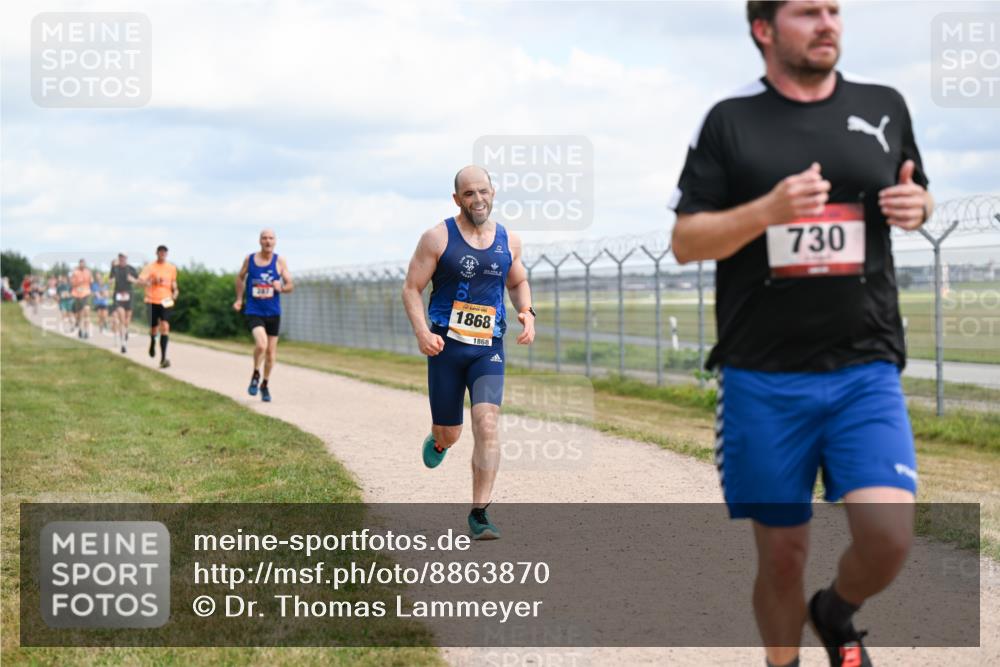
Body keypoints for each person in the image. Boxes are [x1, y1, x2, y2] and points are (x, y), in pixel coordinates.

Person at [669, 2, 933, 666]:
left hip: (864, 366)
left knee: (889, 534)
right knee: (782, 555)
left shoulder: (885, 104)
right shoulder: (731, 123)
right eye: (808, 11)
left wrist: (919, 205)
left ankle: (835, 610)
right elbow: (685, 240)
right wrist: (768, 210)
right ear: (764, 29)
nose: (828, 23)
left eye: (835, 10)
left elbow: (915, 190)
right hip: (763, 376)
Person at [402, 165, 535, 540]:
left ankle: (480, 512)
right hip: (445, 345)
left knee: (487, 424)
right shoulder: (436, 237)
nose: (478, 199)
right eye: (469, 194)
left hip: (487, 349)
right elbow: (411, 288)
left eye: (484, 191)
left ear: (494, 192)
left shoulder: (509, 241)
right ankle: (440, 439)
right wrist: (422, 332)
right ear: (457, 198)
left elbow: (518, 280)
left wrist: (527, 311)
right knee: (453, 431)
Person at [233, 229, 294, 402]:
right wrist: (239, 299)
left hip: (273, 312)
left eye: (271, 238)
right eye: (264, 238)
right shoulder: (250, 259)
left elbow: (290, 285)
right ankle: (255, 374)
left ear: (275, 241)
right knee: (261, 344)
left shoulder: (279, 261)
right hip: (254, 310)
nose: (268, 241)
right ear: (260, 241)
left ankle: (264, 385)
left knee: (271, 354)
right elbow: (240, 278)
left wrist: (280, 287)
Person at [137, 245, 179, 368]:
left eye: (164, 252)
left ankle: (163, 358)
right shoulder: (150, 267)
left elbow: (173, 282)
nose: (162, 254)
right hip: (151, 300)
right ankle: (152, 341)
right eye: (160, 252)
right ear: (156, 253)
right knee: (154, 328)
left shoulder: (171, 268)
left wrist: (176, 291)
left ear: (166, 254)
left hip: (166, 300)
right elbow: (139, 282)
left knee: (165, 326)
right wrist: (151, 282)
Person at [109, 253, 139, 353]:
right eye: (120, 257)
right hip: (118, 296)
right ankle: (123, 344)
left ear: (126, 258)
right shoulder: (115, 268)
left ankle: (125, 331)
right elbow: (110, 279)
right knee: (121, 318)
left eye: (123, 257)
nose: (122, 259)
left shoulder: (131, 269)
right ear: (119, 258)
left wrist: (132, 280)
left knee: (127, 319)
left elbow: (138, 281)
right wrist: (111, 280)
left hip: (129, 296)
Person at [69, 259, 93, 339]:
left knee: (86, 312)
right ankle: (80, 329)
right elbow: (72, 283)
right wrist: (78, 282)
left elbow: (91, 281)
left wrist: (90, 283)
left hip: (86, 294)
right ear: (79, 264)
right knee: (79, 314)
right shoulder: (75, 272)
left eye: (83, 263)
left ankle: (86, 332)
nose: (82, 265)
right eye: (81, 263)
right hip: (77, 294)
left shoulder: (88, 272)